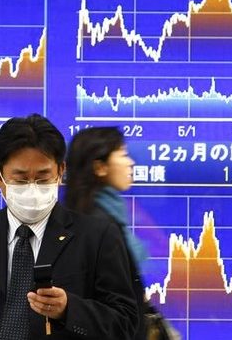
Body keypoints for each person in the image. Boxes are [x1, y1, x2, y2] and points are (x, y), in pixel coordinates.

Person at [0, 114, 141, 340]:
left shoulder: (97, 237)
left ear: (60, 171)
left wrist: (69, 309)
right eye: (20, 180)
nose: (32, 189)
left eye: (43, 179)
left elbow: (125, 323)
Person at [64, 126, 149, 340]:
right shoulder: (99, 224)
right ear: (100, 167)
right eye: (123, 154)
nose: (130, 163)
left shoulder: (99, 216)